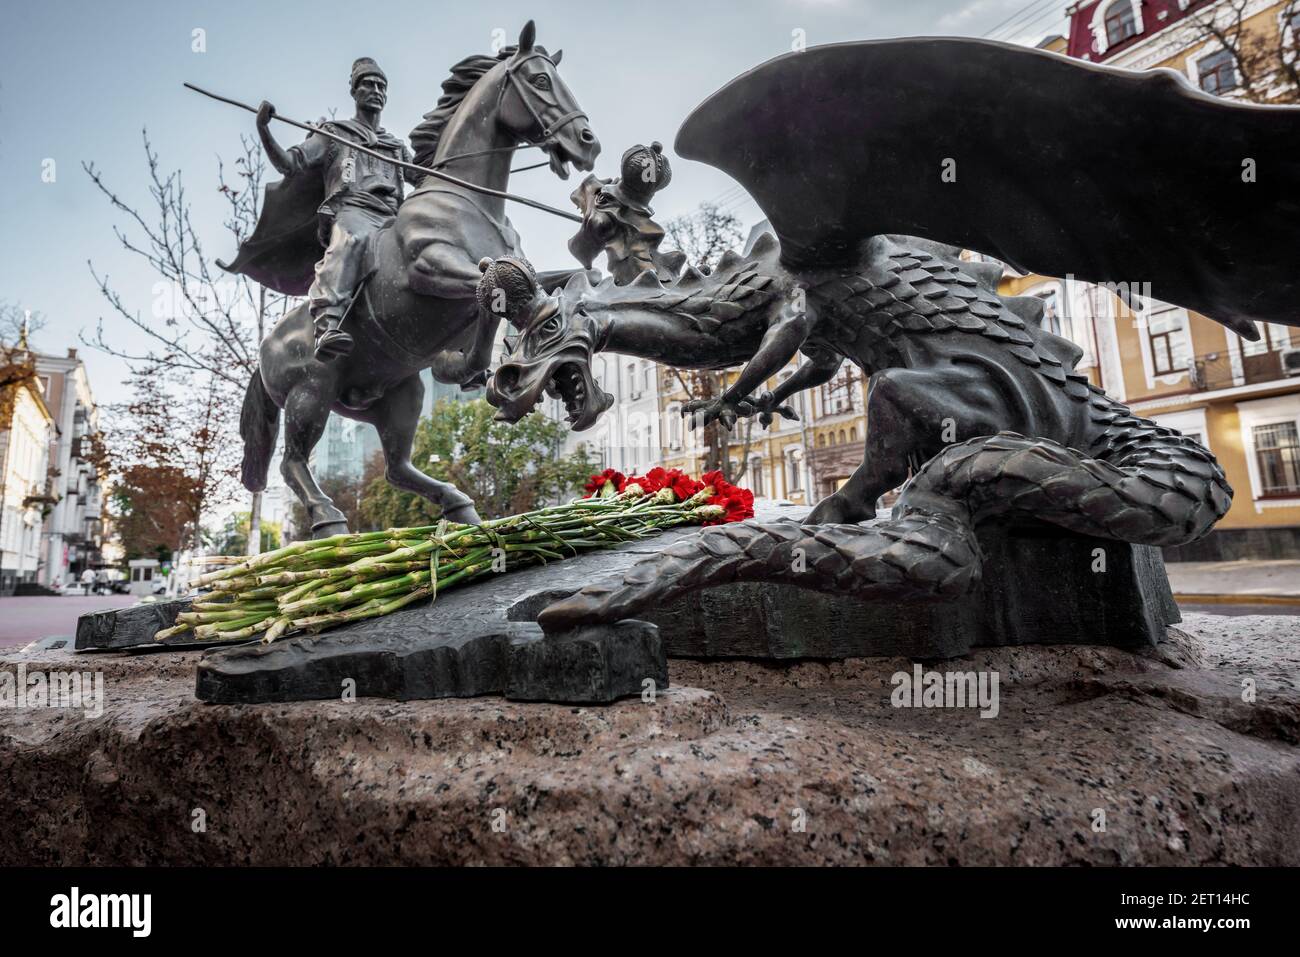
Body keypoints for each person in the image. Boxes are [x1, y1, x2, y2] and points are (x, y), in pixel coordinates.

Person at [224, 58, 418, 360]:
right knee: (352, 239)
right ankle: (328, 320)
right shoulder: (334, 134)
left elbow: (424, 176)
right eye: (368, 83)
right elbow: (289, 164)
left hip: (393, 217)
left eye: (381, 86)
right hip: (353, 210)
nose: (376, 90)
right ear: (354, 91)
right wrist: (263, 129)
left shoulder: (395, 146)